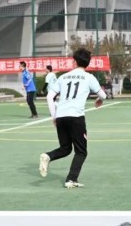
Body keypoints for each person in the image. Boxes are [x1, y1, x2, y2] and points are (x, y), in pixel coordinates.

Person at [39, 48, 107, 189]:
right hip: (76, 117)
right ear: (87, 63)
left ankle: (48, 156)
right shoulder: (89, 77)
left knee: (65, 148)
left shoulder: (63, 77)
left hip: (61, 116)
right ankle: (71, 179)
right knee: (81, 151)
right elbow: (103, 95)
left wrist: (54, 116)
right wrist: (100, 100)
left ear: (74, 61)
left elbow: (49, 97)